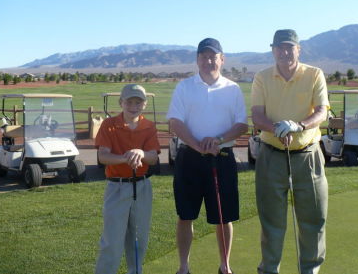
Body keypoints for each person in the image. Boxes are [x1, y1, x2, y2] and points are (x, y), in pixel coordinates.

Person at [167, 37, 248, 274]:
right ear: (197, 60)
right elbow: (175, 122)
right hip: (189, 159)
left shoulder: (232, 89)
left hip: (222, 158)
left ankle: (225, 265)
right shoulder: (185, 87)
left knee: (224, 218)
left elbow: (242, 125)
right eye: (203, 56)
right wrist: (197, 144)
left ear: (222, 60)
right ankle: (184, 267)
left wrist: (219, 140)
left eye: (213, 56)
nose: (208, 61)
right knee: (185, 215)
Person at [251, 29, 329, 274]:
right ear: (273, 50)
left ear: (299, 49)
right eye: (280, 48)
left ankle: (310, 270)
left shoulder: (314, 74)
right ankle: (269, 269)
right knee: (272, 221)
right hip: (271, 155)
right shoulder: (262, 77)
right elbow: (257, 116)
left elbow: (321, 112)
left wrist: (298, 125)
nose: (285, 52)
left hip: (308, 155)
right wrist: (278, 130)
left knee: (313, 219)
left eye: (290, 47)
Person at [95, 83, 161, 274]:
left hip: (142, 186)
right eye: (129, 101)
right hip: (117, 187)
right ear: (121, 102)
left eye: (138, 102)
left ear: (145, 104)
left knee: (139, 240)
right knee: (112, 241)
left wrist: (140, 152)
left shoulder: (149, 126)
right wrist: (126, 157)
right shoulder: (109, 125)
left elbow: (154, 156)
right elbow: (103, 156)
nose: (133, 106)